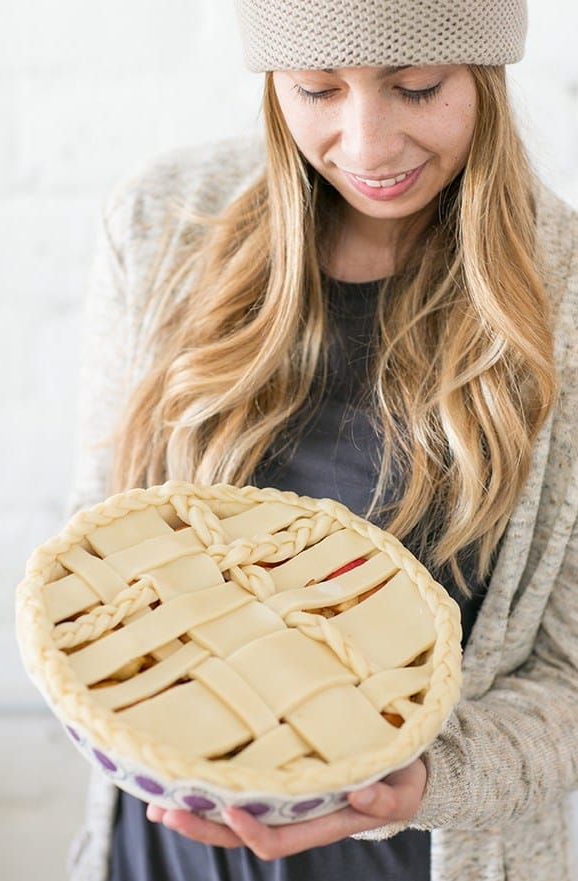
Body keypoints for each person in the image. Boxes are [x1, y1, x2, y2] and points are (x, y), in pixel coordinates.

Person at [67, 1, 578, 880]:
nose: (368, 146)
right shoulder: (160, 226)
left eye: (417, 88)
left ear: (489, 78)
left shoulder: (562, 300)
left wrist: (425, 779)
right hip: (156, 857)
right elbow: (94, 544)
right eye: (316, 88)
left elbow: (568, 678)